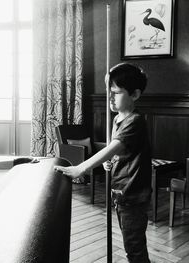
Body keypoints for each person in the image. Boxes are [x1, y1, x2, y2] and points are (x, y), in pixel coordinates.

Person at [54, 63, 151, 263]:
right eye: (108, 91)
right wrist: (112, 162)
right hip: (120, 191)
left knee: (135, 249)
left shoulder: (135, 121)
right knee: (130, 244)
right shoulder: (117, 119)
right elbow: (121, 152)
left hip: (133, 195)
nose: (109, 97)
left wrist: (81, 168)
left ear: (135, 95)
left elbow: (113, 148)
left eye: (116, 92)